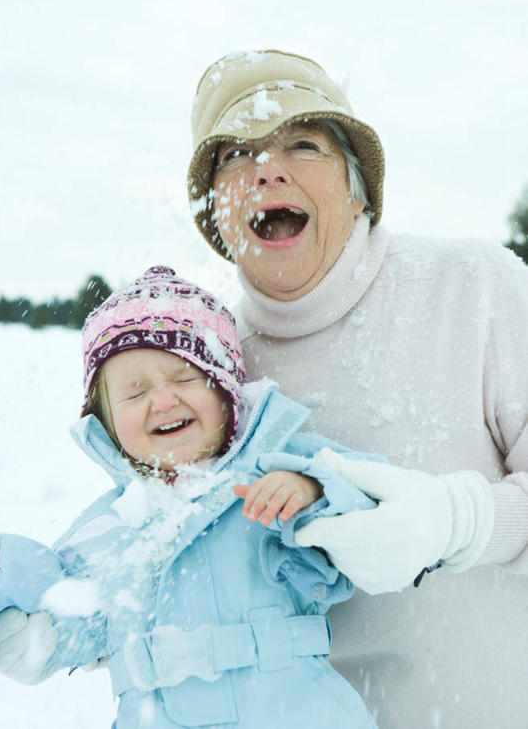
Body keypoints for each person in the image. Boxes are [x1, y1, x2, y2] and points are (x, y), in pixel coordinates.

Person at [186, 50, 528, 727]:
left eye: (303, 143)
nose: (266, 168)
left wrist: (457, 521)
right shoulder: (203, 369)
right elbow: (170, 571)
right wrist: (45, 611)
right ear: (214, 216)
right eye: (235, 154)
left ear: (359, 188)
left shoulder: (475, 287)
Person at [0, 265, 380, 728]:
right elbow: (67, 624)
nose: (164, 400)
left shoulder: (273, 476)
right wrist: (5, 591)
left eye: (186, 377)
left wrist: (313, 493)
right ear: (107, 424)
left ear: (227, 390)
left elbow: (377, 516)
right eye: (135, 392)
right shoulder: (109, 528)